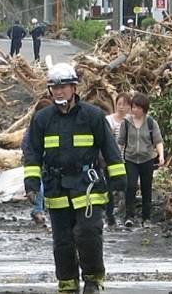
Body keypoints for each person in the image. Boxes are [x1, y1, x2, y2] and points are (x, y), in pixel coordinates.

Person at [23, 63, 127, 294]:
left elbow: (110, 150)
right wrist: (31, 183)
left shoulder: (92, 116)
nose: (59, 92)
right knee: (62, 240)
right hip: (56, 188)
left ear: (73, 88)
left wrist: (119, 182)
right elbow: (32, 154)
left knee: (89, 233)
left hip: (87, 186)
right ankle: (67, 281)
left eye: (63, 87)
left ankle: (93, 279)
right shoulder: (42, 119)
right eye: (54, 88)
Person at [117, 92, 165, 228]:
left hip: (147, 159)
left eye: (138, 107)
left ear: (144, 108)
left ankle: (146, 218)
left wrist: (161, 155)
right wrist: (116, 157)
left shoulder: (151, 123)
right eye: (133, 107)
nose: (135, 110)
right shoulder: (126, 123)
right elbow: (120, 142)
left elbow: (158, 141)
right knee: (131, 186)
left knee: (146, 188)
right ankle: (129, 216)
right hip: (130, 159)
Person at [20, 97, 53, 225]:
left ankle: (41, 209)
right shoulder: (34, 128)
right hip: (35, 163)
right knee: (38, 186)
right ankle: (37, 210)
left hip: (48, 162)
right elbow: (26, 144)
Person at [103, 93, 131, 227]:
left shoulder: (132, 121)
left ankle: (127, 215)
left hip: (128, 159)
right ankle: (109, 216)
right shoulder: (108, 120)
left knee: (127, 187)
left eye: (124, 104)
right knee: (109, 187)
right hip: (111, 160)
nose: (121, 107)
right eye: (119, 104)